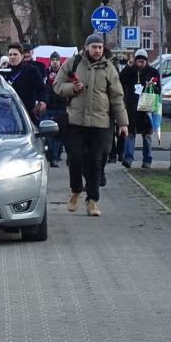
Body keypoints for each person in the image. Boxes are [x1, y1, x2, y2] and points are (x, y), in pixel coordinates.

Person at [54, 33, 128, 217]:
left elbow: (117, 98)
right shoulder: (73, 63)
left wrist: (123, 123)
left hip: (100, 123)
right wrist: (71, 89)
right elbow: (57, 84)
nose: (97, 50)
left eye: (100, 47)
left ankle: (92, 201)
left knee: (96, 163)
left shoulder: (109, 68)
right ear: (86, 47)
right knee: (75, 159)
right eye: (93, 47)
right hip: (76, 122)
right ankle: (76, 191)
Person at [118, 48, 160, 168]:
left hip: (147, 107)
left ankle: (147, 160)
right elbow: (121, 80)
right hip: (133, 107)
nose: (140, 64)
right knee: (131, 133)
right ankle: (128, 158)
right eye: (138, 61)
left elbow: (158, 90)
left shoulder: (153, 72)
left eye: (143, 62)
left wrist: (152, 87)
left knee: (146, 135)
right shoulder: (131, 71)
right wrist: (128, 67)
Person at [4, 42, 47, 121]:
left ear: (22, 56)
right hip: (7, 113)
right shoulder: (3, 72)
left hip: (28, 112)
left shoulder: (32, 70)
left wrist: (42, 101)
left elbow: (42, 89)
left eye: (15, 54)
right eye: (10, 55)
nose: (12, 57)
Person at [43, 52, 68, 166]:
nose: (55, 62)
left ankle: (54, 157)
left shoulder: (63, 73)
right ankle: (49, 155)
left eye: (57, 60)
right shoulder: (46, 73)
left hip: (60, 107)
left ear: (60, 61)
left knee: (57, 134)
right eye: (52, 59)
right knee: (47, 133)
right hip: (48, 107)